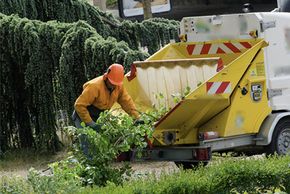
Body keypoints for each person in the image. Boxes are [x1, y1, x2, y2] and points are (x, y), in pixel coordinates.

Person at [72, 63, 140, 131]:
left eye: (115, 84)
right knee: (86, 138)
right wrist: (91, 123)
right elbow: (79, 105)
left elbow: (127, 102)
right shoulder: (94, 86)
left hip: (98, 116)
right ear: (106, 77)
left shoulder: (119, 86)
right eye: (112, 83)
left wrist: (136, 117)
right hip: (82, 115)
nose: (113, 86)